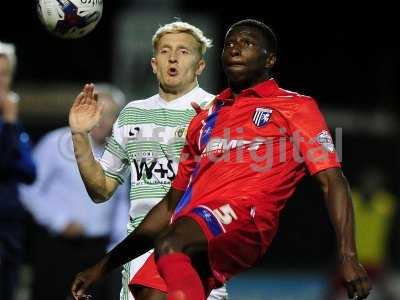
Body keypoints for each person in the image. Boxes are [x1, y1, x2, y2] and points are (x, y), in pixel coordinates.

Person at [70, 19, 372, 300]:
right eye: (230, 44)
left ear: (270, 60)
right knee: (149, 291)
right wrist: (103, 266)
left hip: (247, 219)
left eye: (248, 42)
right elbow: (170, 206)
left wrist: (348, 256)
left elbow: (333, 181)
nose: (236, 47)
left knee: (172, 243)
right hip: (195, 226)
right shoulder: (204, 119)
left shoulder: (294, 107)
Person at [68, 22, 227, 300]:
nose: (173, 57)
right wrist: (80, 136)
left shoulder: (216, 111)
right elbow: (101, 190)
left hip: (194, 246)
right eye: (165, 51)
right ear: (154, 64)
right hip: (139, 251)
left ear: (200, 65)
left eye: (183, 51)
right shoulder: (132, 114)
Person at [19, 84, 129, 300]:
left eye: (109, 115)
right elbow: (28, 188)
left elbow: (121, 201)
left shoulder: (119, 152)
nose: (102, 120)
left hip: (99, 252)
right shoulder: (56, 142)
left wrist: (119, 244)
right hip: (58, 247)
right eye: (98, 111)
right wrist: (59, 221)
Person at [0, 42, 36, 300]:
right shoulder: (10, 121)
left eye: (4, 75)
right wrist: (11, 124)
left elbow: (29, 171)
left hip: (10, 226)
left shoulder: (10, 121)